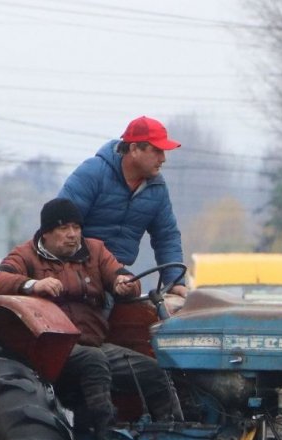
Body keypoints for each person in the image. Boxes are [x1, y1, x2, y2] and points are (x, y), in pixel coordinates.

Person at [0, 198, 182, 440]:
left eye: (76, 227)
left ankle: (172, 435)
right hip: (52, 349)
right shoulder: (26, 255)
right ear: (46, 233)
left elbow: (124, 277)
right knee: (93, 361)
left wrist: (124, 284)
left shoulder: (95, 251)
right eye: (64, 228)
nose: (72, 235)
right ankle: (106, 436)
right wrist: (33, 285)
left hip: (94, 342)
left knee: (152, 370)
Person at [59, 115, 189, 312]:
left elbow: (167, 236)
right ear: (135, 149)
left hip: (118, 275)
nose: (163, 158)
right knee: (98, 308)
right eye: (157, 150)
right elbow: (60, 224)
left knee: (151, 316)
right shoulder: (92, 173)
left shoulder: (157, 188)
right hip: (78, 268)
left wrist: (175, 281)